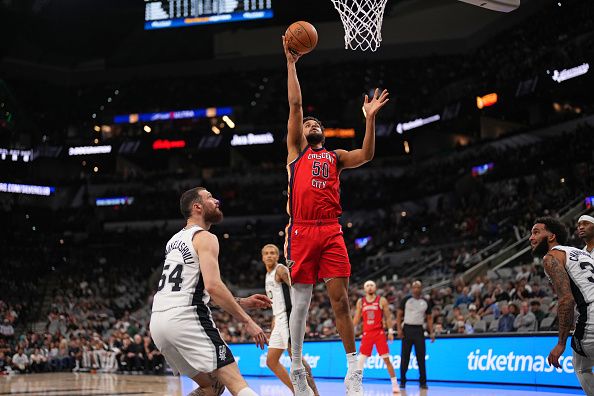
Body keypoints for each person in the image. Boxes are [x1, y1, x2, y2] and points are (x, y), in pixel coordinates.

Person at [282, 35, 389, 396]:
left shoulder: (335, 157)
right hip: (301, 231)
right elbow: (296, 106)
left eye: (315, 123)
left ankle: (352, 368)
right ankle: (296, 365)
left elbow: (368, 155)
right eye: (307, 123)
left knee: (340, 299)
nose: (310, 124)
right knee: (301, 302)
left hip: (329, 230)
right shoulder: (295, 152)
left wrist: (370, 120)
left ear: (323, 132)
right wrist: (292, 64)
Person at [150, 187, 272, 396]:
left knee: (212, 385)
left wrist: (243, 301)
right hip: (185, 318)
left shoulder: (173, 241)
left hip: (159, 326)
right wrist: (247, 321)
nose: (217, 201)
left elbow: (195, 291)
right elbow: (213, 286)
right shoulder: (205, 238)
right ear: (197, 207)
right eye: (210, 198)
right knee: (236, 382)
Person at [529, 216, 594, 393]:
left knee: (581, 367)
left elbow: (566, 299)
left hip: (591, 314)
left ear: (551, 237)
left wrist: (560, 344)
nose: (531, 238)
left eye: (536, 232)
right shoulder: (580, 253)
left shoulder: (551, 257)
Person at [262, 244, 319, 396]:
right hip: (278, 319)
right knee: (271, 361)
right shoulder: (268, 275)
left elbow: (295, 287)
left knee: (296, 358)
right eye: (266, 253)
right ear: (262, 257)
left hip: (288, 317)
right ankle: (297, 392)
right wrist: (274, 325)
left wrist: (299, 314)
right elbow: (276, 302)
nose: (269, 255)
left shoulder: (280, 269)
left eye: (272, 253)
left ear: (278, 255)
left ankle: (314, 393)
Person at [353, 280, 399, 394]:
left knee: (387, 360)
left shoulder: (381, 300)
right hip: (367, 334)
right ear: (364, 289)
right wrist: (349, 330)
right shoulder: (361, 301)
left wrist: (390, 331)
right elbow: (356, 318)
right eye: (367, 286)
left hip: (379, 333)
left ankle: (395, 384)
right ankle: (357, 385)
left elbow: (388, 317)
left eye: (371, 285)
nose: (369, 287)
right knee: (360, 362)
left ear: (375, 287)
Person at [396, 281, 434, 390]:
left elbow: (429, 318)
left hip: (419, 330)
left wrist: (431, 332)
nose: (416, 289)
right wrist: (399, 329)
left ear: (421, 289)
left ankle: (423, 382)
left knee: (421, 357)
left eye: (418, 287)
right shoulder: (406, 300)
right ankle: (402, 381)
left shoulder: (425, 301)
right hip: (407, 329)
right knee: (405, 357)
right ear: (412, 289)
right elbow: (399, 315)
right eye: (414, 287)